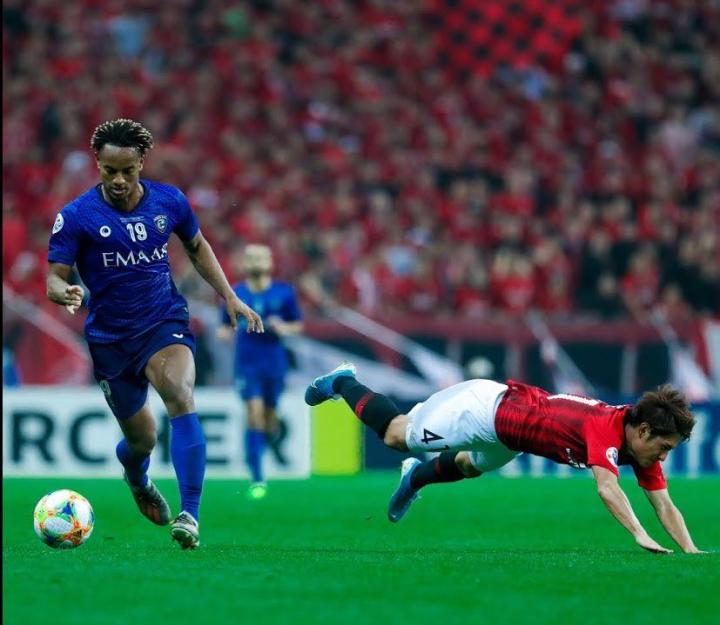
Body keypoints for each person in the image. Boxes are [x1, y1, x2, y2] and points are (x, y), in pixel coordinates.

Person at [46, 119, 264, 550]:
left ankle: (190, 515)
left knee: (180, 395)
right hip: (110, 339)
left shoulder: (169, 201)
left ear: (142, 162)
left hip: (163, 321)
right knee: (141, 440)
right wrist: (63, 291)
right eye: (110, 171)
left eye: (127, 170)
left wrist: (229, 296)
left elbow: (197, 246)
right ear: (98, 164)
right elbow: (54, 276)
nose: (119, 180)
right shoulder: (76, 216)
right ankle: (137, 477)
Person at [305, 362, 706, 554]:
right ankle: (343, 381)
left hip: (510, 436)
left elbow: (664, 504)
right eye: (664, 447)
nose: (663, 457)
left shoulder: (640, 446)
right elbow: (606, 488)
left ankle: (414, 478)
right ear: (643, 431)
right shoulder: (606, 429)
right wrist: (638, 533)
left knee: (469, 465)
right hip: (481, 409)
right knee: (397, 435)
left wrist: (690, 551)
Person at [218, 244, 303, 500]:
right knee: (253, 413)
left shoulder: (284, 292)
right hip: (247, 364)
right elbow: (223, 326)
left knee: (269, 419)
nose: (256, 262)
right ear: (244, 264)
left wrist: (284, 328)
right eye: (251, 258)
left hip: (274, 363)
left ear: (269, 262)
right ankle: (257, 477)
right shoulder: (235, 293)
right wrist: (227, 332)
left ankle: (258, 448)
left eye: (261, 257)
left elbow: (297, 325)